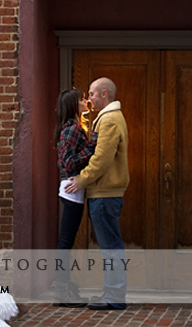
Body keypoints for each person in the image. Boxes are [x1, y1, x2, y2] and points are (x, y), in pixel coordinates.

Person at [65, 77, 129, 310]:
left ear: (104, 93)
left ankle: (113, 296)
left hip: (104, 193)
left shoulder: (110, 119)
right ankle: (113, 294)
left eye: (91, 94)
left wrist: (81, 180)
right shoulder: (108, 117)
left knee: (111, 247)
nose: (89, 99)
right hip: (103, 192)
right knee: (111, 246)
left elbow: (101, 160)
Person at [52, 89, 98, 308]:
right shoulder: (71, 129)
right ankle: (62, 290)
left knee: (66, 241)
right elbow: (70, 162)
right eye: (80, 99)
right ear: (72, 105)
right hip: (71, 188)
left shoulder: (73, 127)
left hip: (73, 189)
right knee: (65, 241)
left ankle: (64, 287)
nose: (85, 101)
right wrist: (92, 146)